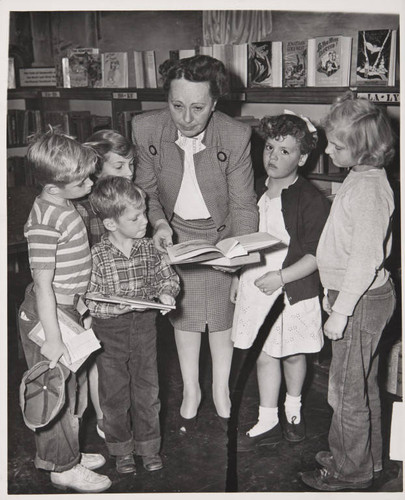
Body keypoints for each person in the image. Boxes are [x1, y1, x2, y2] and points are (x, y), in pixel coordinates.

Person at [131, 55, 259, 432]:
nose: (186, 118)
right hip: (175, 234)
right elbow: (147, 192)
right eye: (177, 105)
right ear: (167, 99)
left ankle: (221, 389)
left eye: (198, 108)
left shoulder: (235, 136)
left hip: (222, 235)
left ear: (215, 103)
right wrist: (157, 225)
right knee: (182, 318)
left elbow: (243, 205)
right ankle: (191, 390)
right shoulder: (146, 128)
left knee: (221, 320)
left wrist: (236, 253)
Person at [300, 92, 396, 491]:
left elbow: (364, 258)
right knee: (362, 384)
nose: (329, 149)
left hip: (358, 301)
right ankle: (364, 458)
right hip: (356, 297)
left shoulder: (369, 190)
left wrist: (341, 310)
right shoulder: (360, 178)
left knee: (345, 391)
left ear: (361, 149)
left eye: (337, 145)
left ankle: (349, 470)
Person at [17, 128, 112, 493]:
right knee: (54, 391)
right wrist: (54, 337)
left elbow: (73, 267)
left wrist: (81, 302)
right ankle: (62, 466)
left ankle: (67, 451)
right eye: (82, 181)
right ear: (54, 187)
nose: (90, 183)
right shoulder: (44, 222)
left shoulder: (64, 205)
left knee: (72, 386)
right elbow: (43, 285)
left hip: (67, 309)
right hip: (48, 316)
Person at [231, 112, 330, 451]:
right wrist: (238, 275)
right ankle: (267, 413)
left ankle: (293, 409)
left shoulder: (310, 199)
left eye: (284, 151)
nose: (272, 157)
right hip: (256, 285)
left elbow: (316, 256)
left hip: (290, 288)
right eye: (270, 147)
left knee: (290, 353)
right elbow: (245, 238)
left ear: (302, 157)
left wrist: (281, 277)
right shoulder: (253, 188)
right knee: (263, 353)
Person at [85, 176, 180, 474]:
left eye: (143, 214)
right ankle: (121, 449)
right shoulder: (97, 256)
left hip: (144, 328)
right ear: (111, 224)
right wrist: (120, 305)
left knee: (147, 390)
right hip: (109, 332)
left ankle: (149, 447)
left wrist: (166, 292)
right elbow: (90, 300)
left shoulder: (149, 249)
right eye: (135, 217)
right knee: (114, 395)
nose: (144, 222)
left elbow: (169, 277)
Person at [75, 129, 136, 439]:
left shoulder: (128, 203)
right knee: (96, 362)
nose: (129, 173)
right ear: (97, 170)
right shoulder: (85, 209)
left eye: (131, 165)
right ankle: (104, 421)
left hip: (121, 298)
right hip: (92, 297)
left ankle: (114, 417)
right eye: (119, 167)